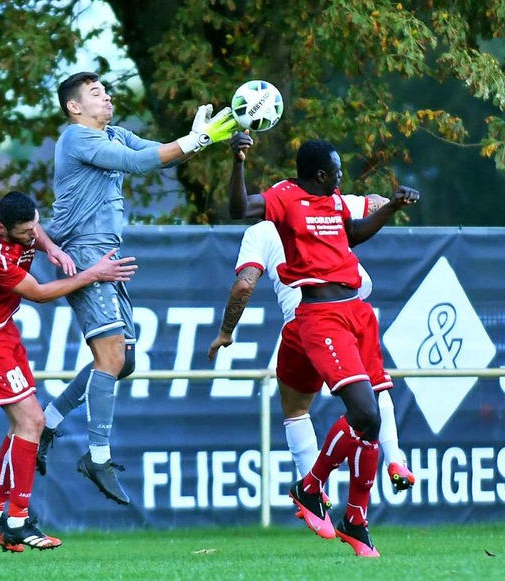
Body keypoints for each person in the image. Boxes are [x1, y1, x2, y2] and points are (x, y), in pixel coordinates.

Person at [36, 71, 238, 505]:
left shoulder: (113, 134)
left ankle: (47, 420)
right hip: (86, 255)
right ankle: (98, 456)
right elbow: (136, 163)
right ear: (74, 107)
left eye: (106, 91)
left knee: (122, 363)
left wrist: (199, 136)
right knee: (111, 357)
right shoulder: (76, 138)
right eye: (95, 93)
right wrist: (198, 140)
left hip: (106, 254)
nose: (106, 97)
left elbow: (158, 156)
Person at [226, 133, 419, 557]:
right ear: (319, 173)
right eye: (335, 170)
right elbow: (240, 209)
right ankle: (311, 485)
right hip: (320, 316)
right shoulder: (286, 197)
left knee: (370, 417)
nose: (340, 176)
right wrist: (238, 161)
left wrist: (388, 206)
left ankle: (356, 518)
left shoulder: (334, 202)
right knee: (365, 413)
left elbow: (353, 234)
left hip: (357, 314)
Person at [0, 191, 137, 552]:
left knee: (24, 424)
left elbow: (35, 230)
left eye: (36, 224)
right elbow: (40, 293)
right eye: (25, 232)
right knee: (33, 421)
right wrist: (93, 274)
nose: (33, 233)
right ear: (2, 229)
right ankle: (18, 521)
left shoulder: (6, 210)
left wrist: (49, 246)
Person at [207, 212, 416, 489]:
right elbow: (373, 203)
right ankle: (394, 457)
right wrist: (391, 203)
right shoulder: (329, 207)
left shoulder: (261, 231)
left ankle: (313, 489)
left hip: (304, 322)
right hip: (350, 308)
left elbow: (244, 284)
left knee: (296, 410)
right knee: (375, 386)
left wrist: (226, 332)